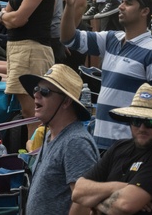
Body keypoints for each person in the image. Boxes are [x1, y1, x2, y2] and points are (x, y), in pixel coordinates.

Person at [60, 0, 152, 151]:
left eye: (128, 3)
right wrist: (69, 5)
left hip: (127, 146)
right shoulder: (111, 39)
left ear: (144, 11)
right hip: (99, 141)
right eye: (121, 1)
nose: (121, 6)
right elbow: (68, 38)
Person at [70, 84, 152, 215]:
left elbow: (126, 205)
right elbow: (78, 191)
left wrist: (92, 201)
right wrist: (120, 187)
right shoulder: (119, 147)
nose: (141, 128)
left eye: (150, 122)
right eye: (136, 120)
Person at [21, 65, 100, 215]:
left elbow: (84, 202)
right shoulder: (50, 135)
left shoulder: (75, 142)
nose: (36, 95)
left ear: (66, 102)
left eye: (45, 92)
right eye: (36, 90)